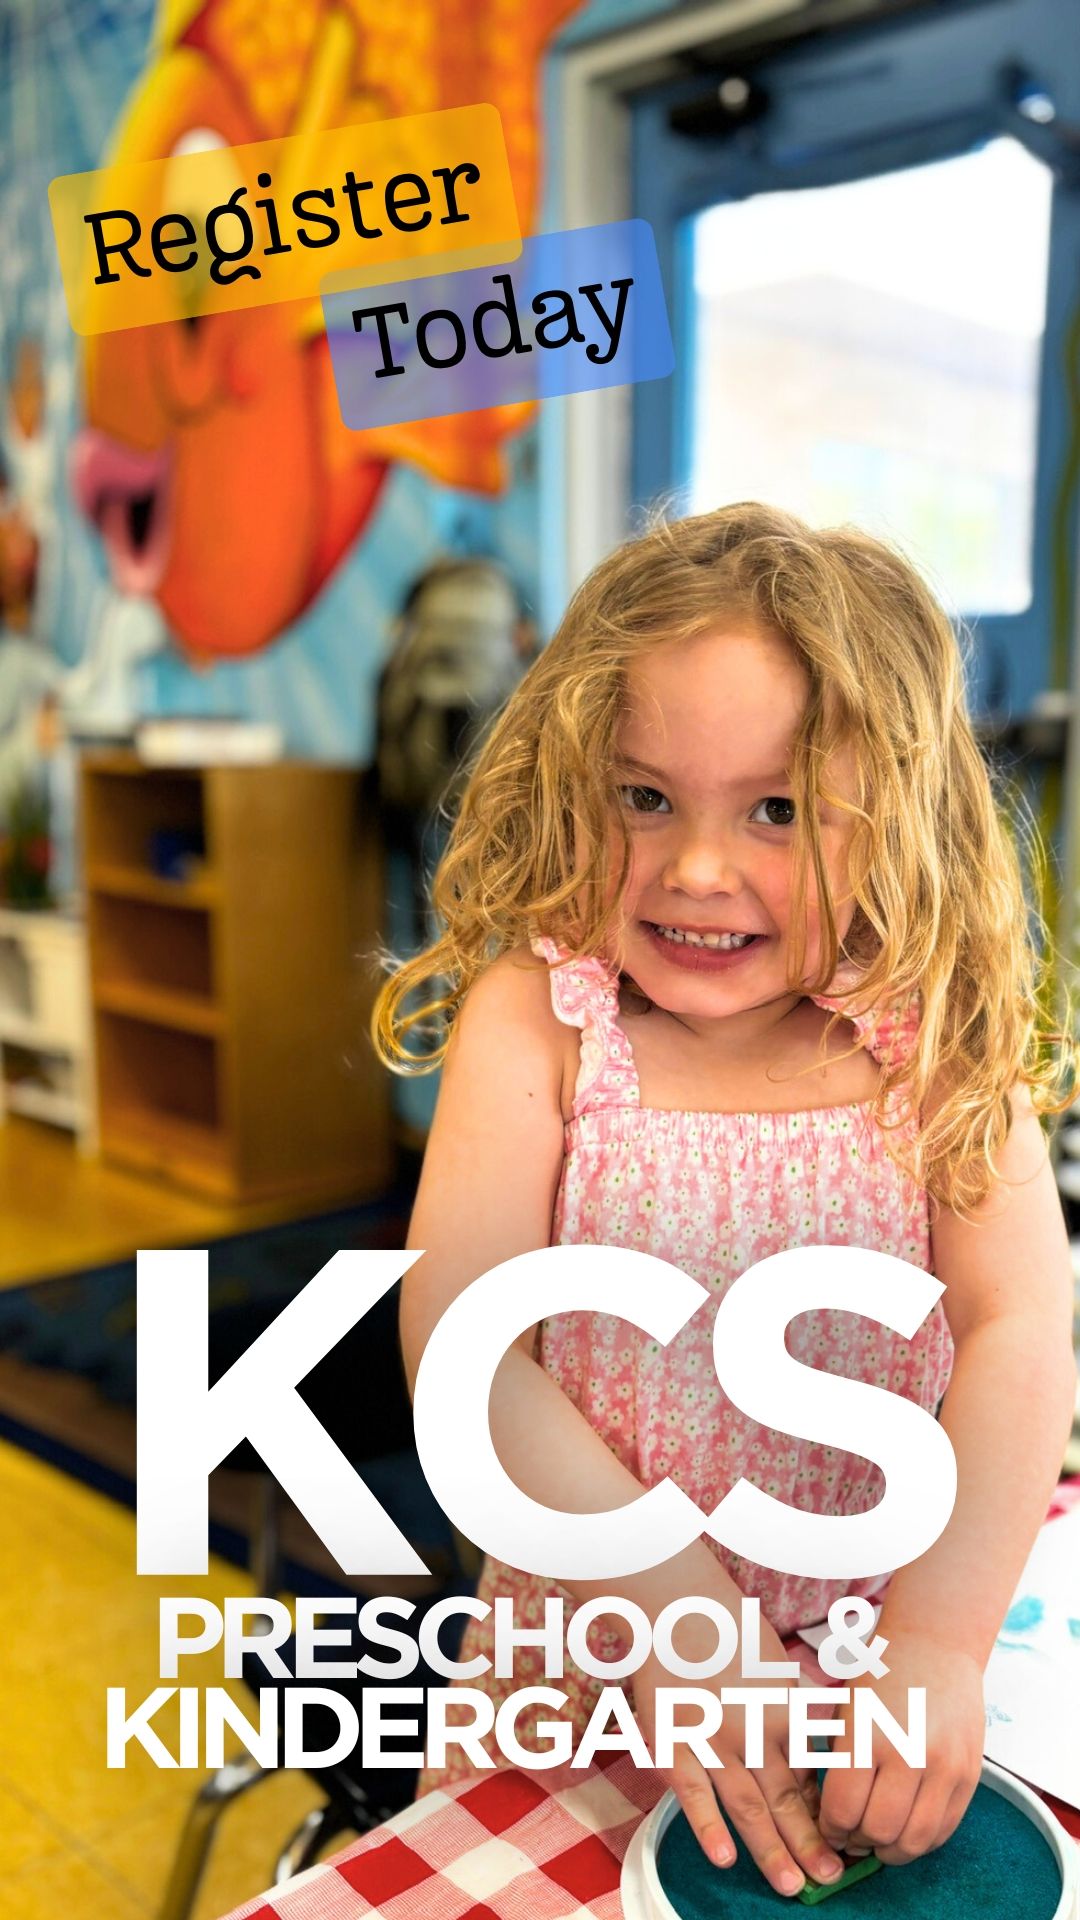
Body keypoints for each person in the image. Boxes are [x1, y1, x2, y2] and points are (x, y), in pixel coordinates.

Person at [372, 503, 1076, 1900]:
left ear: (897, 817)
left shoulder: (930, 1029)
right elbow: (463, 1345)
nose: (697, 869)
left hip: (869, 1662)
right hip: (589, 1660)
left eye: (778, 810)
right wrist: (677, 1612)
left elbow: (1020, 1325)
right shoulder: (541, 1020)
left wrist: (938, 1646)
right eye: (644, 798)